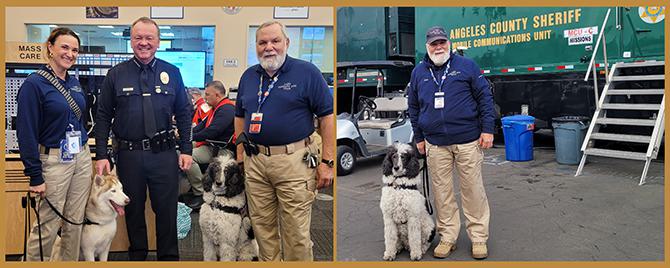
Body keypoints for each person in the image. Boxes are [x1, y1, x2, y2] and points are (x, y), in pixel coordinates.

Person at [94, 17, 193, 261]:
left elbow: (184, 113)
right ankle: (137, 257)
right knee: (134, 211)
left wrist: (187, 149)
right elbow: (103, 116)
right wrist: (102, 154)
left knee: (166, 212)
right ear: (131, 41)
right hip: (129, 155)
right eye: (138, 37)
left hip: (164, 154)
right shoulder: (116, 74)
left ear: (158, 41)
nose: (144, 43)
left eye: (149, 38)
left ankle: (168, 259)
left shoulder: (172, 72)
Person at [234, 21, 334, 261]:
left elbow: (327, 117)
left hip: (294, 162)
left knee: (296, 232)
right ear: (256, 46)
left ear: (286, 43)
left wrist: (328, 161)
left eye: (275, 41)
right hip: (255, 162)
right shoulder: (249, 76)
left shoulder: (307, 72)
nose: (269, 47)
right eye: (262, 42)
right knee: (262, 229)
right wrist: (240, 154)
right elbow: (239, 116)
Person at [407, 26, 495, 260]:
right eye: (434, 44)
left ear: (449, 43)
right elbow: (414, 107)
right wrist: (419, 137)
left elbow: (485, 97)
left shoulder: (467, 66)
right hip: (435, 144)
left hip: (467, 140)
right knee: (442, 193)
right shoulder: (418, 73)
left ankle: (478, 238)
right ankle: (448, 237)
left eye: (442, 42)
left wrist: (487, 129)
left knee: (473, 190)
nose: (439, 47)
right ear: (427, 47)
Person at [17, 27, 91, 261]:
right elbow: (26, 132)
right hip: (54, 161)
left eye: (75, 50)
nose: (70, 54)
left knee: (75, 221)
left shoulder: (74, 83)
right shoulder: (34, 84)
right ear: (50, 47)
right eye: (65, 47)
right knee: (47, 224)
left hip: (80, 156)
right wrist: (34, 175)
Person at [183, 80, 235, 210]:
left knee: (188, 156)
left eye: (207, 94)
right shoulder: (216, 109)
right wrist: (185, 135)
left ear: (217, 95)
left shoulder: (227, 109)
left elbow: (212, 131)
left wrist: (189, 137)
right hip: (212, 146)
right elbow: (200, 127)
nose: (204, 97)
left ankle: (200, 192)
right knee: (182, 151)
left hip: (223, 150)